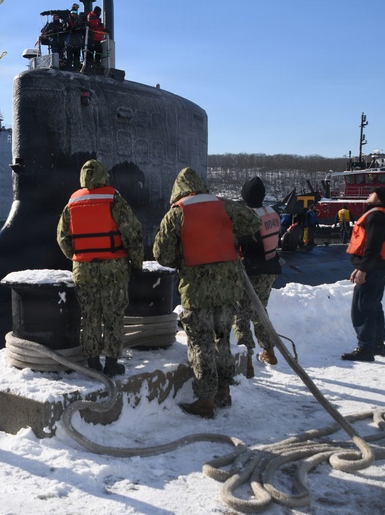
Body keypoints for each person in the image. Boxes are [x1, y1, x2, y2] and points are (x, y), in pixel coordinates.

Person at [153, 167, 260, 418]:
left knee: (200, 342)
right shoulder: (224, 205)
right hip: (228, 288)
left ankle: (205, 400)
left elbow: (161, 255)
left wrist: (183, 256)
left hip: (196, 290)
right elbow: (253, 222)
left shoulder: (176, 214)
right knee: (221, 338)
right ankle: (224, 390)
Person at [57, 159, 144, 376]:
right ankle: (112, 363)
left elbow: (62, 237)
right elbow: (132, 233)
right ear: (104, 175)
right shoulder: (114, 198)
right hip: (114, 267)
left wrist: (77, 257)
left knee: (90, 316)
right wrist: (136, 263)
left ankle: (93, 362)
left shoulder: (72, 202)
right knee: (113, 315)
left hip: (83, 269)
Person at [232, 177, 282, 376]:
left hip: (251, 270)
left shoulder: (247, 217)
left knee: (242, 315)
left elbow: (237, 242)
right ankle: (268, 350)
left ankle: (247, 361)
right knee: (260, 311)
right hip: (270, 267)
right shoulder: (272, 213)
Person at [341, 186, 385, 362]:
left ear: (379, 198)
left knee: (362, 309)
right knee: (373, 307)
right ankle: (377, 344)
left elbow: (373, 246)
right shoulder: (380, 215)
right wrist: (360, 267)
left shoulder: (376, 217)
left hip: (372, 269)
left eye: (373, 193)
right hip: (375, 268)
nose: (369, 195)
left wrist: (363, 269)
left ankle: (365, 348)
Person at [64, 4, 85, 69]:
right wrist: (67, 28)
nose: (74, 14)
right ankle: (69, 67)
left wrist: (78, 28)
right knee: (69, 56)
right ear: (70, 13)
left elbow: (81, 28)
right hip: (69, 41)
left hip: (77, 41)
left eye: (75, 13)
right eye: (72, 12)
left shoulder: (78, 21)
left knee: (77, 56)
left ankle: (76, 67)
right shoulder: (67, 20)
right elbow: (64, 28)